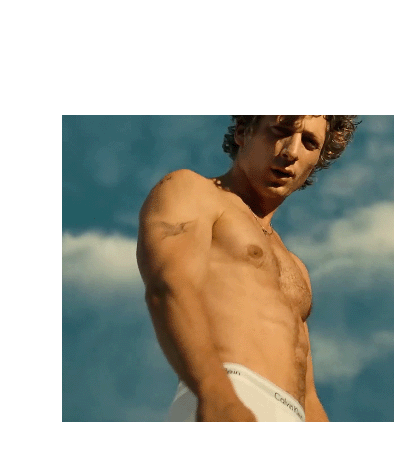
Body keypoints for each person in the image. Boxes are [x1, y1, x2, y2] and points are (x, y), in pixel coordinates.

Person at [136, 115, 359, 421]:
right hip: (228, 392)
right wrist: (216, 394)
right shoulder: (193, 190)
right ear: (243, 131)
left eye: (309, 142)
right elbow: (170, 287)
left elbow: (307, 391)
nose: (291, 151)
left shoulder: (296, 267)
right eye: (280, 131)